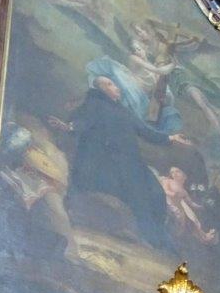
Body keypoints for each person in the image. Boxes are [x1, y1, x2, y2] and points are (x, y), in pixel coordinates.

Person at [66, 71, 189, 235]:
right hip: (105, 159)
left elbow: (144, 130)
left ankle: (154, 232)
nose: (116, 87)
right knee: (136, 196)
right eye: (109, 84)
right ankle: (148, 233)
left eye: (114, 83)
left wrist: (170, 137)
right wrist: (71, 127)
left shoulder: (123, 110)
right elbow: (84, 121)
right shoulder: (94, 104)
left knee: (156, 192)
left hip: (130, 160)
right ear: (100, 89)